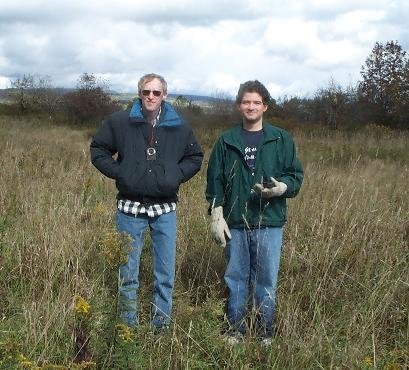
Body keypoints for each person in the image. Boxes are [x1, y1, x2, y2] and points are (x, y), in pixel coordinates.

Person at [90, 73, 203, 331]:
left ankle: (160, 328)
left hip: (165, 209)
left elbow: (195, 156)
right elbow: (98, 150)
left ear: (165, 95)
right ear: (139, 93)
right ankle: (127, 328)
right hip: (129, 208)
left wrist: (173, 176)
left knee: (164, 274)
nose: (151, 97)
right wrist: (122, 173)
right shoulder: (119, 122)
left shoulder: (180, 126)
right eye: (146, 92)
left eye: (156, 92)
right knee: (127, 272)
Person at [205, 80, 303, 345]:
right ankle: (235, 330)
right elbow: (214, 180)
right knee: (235, 278)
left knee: (266, 280)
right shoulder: (226, 141)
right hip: (235, 222)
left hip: (269, 222)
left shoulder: (281, 139)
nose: (251, 106)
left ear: (265, 106)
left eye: (256, 102)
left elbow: (295, 176)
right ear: (239, 106)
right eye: (246, 102)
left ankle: (264, 332)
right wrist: (216, 213)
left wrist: (282, 187)